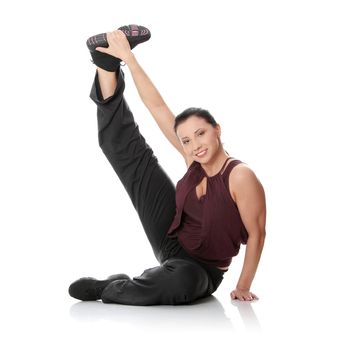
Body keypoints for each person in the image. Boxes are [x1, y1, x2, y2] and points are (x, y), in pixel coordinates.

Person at [68, 25, 266, 305]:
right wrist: (129, 58)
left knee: (178, 281)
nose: (195, 145)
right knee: (124, 151)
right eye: (186, 140)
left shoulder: (240, 176)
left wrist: (243, 285)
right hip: (170, 237)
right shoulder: (192, 158)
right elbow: (158, 107)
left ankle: (112, 288)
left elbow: (258, 232)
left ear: (217, 130)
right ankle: (106, 65)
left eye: (201, 134)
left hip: (201, 270)